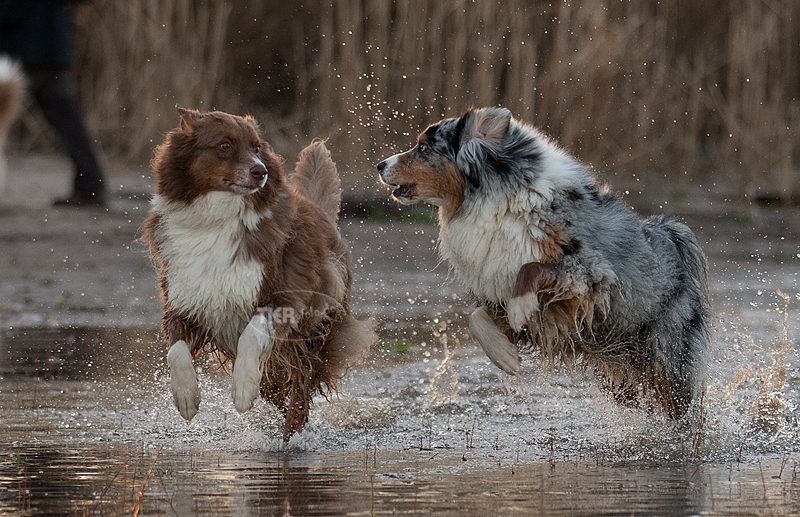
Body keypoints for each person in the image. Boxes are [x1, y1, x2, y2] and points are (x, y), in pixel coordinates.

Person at [0, 0, 106, 207]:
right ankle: (90, 185)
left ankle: (90, 185)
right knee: (69, 121)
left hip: (22, 49)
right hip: (51, 49)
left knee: (67, 120)